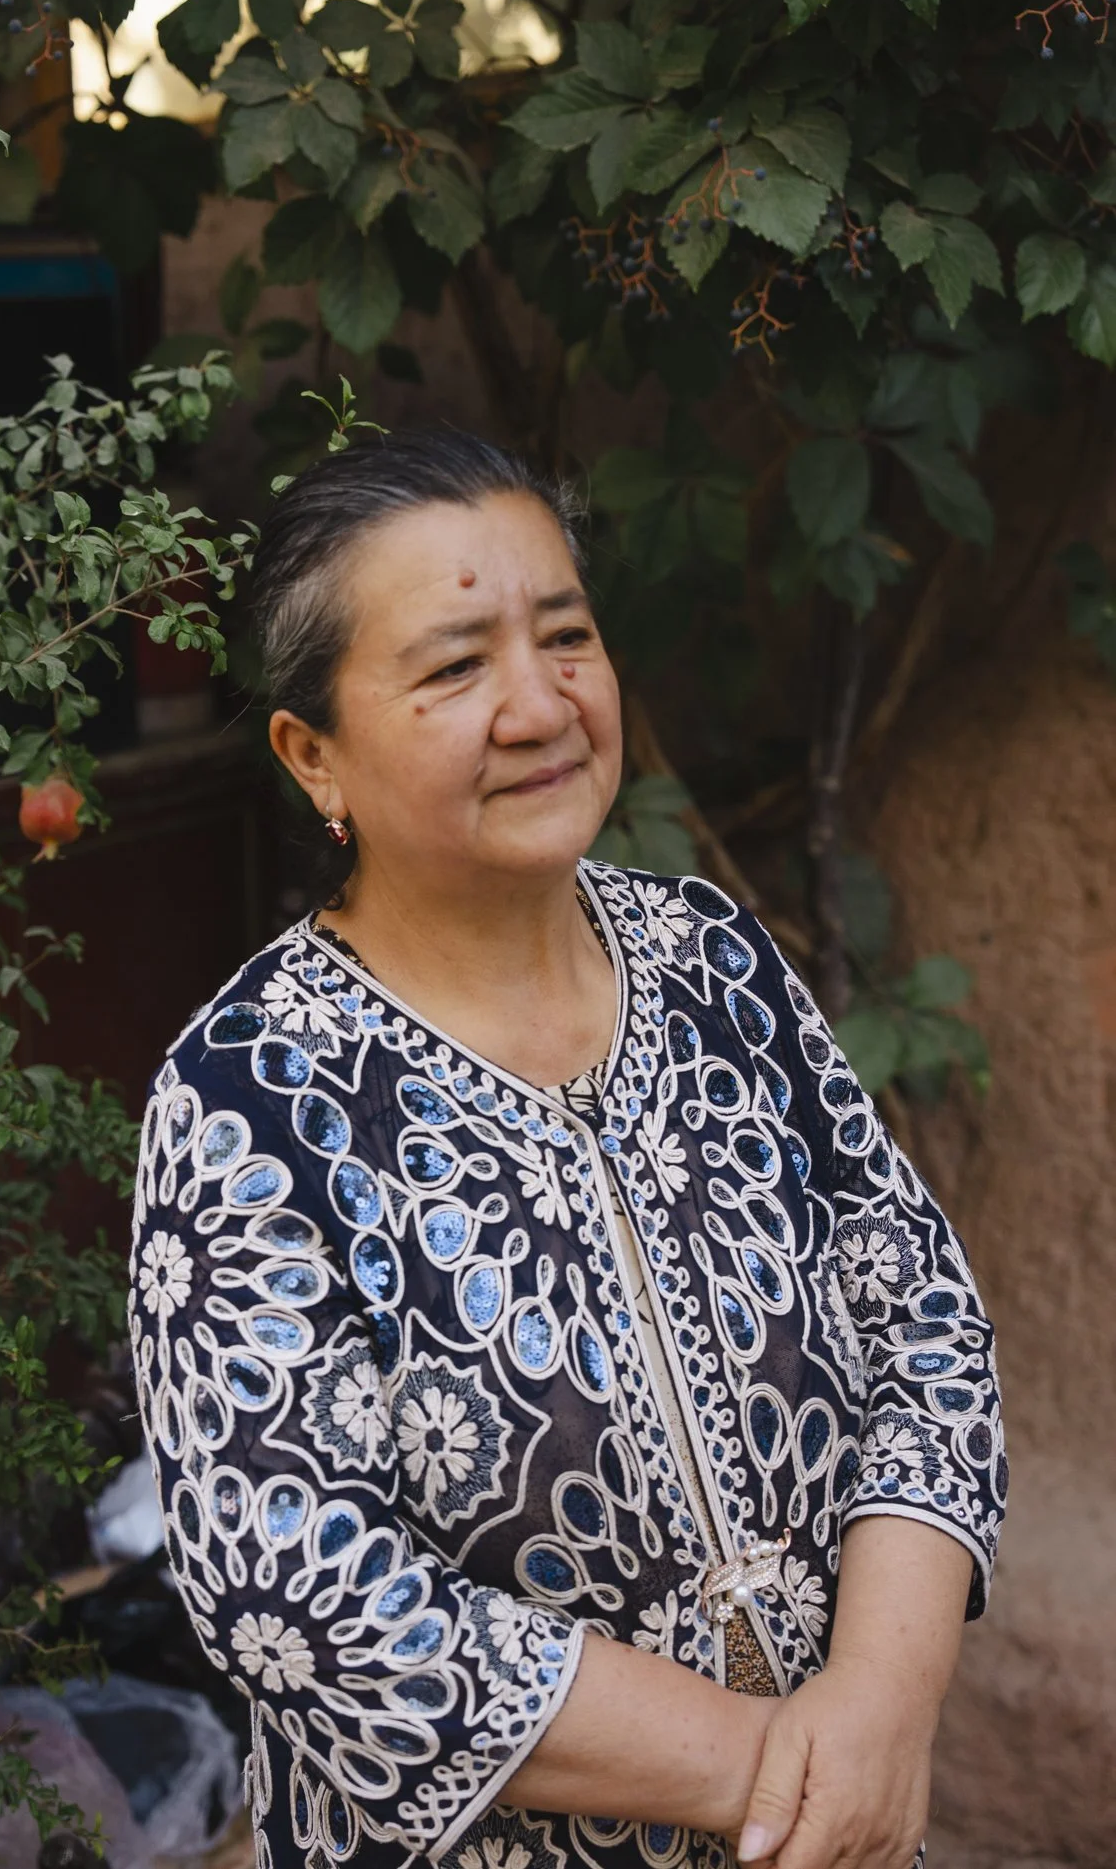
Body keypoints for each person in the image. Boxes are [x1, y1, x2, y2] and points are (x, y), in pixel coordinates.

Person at [130, 432, 1005, 1869]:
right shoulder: (250, 1098)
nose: (537, 705)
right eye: (455, 665)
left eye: (565, 636)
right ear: (312, 755)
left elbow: (922, 1327)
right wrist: (783, 1777)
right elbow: (306, 1599)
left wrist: (877, 1710)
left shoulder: (713, 959)